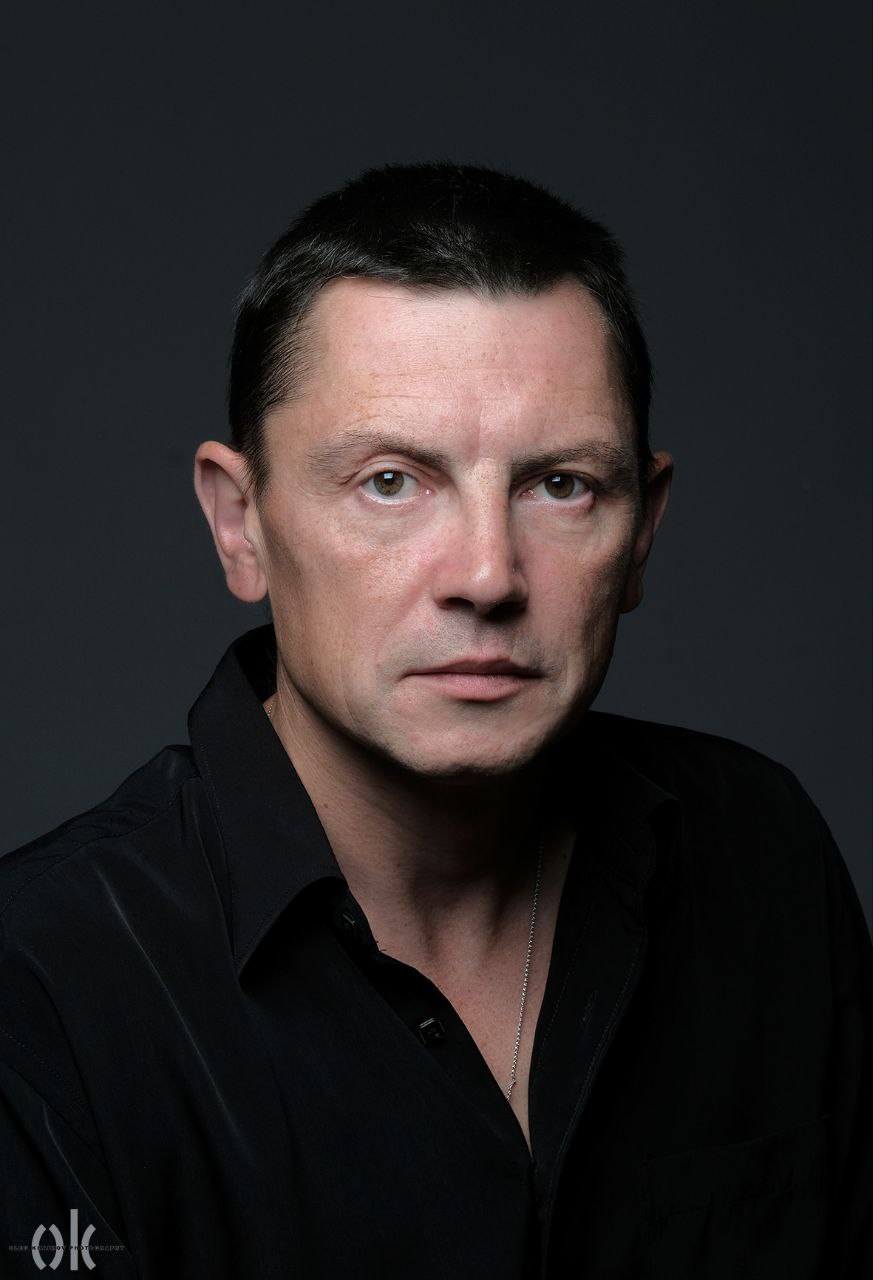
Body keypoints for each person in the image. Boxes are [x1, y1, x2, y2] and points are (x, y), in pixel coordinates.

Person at [0, 163, 869, 1280]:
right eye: (391, 481)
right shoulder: (40, 986)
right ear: (240, 524)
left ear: (642, 534)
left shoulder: (761, 854)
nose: (488, 575)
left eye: (560, 485)